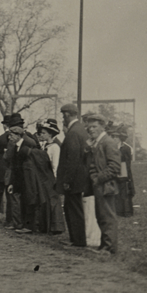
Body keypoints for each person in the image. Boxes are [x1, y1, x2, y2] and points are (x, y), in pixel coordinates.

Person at [83, 112, 121, 254]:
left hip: (106, 186)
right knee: (101, 216)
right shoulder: (97, 143)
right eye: (89, 127)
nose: (90, 129)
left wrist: (98, 178)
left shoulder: (108, 142)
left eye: (94, 127)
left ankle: (109, 248)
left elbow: (115, 167)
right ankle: (104, 245)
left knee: (107, 217)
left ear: (102, 127)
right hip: (99, 186)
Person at [56, 104, 90, 248]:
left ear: (68, 115)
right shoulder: (81, 130)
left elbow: (72, 159)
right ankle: (76, 239)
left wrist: (67, 180)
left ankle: (78, 240)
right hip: (79, 177)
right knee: (73, 208)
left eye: (63, 115)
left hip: (74, 179)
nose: (62, 118)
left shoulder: (73, 132)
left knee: (73, 209)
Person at [115, 126, 136, 217]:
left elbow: (127, 163)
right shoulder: (114, 147)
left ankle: (126, 211)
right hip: (116, 169)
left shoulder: (126, 148)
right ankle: (118, 210)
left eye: (116, 137)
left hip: (123, 170)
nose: (115, 139)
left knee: (124, 190)